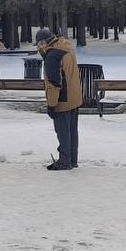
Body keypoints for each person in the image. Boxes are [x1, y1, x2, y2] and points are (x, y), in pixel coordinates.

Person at [36, 28, 81, 170]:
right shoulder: (65, 46)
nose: (38, 47)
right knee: (72, 130)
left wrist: (51, 105)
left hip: (63, 99)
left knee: (62, 131)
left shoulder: (52, 57)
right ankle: (72, 160)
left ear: (44, 43)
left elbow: (54, 83)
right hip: (74, 97)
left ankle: (64, 161)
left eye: (38, 44)